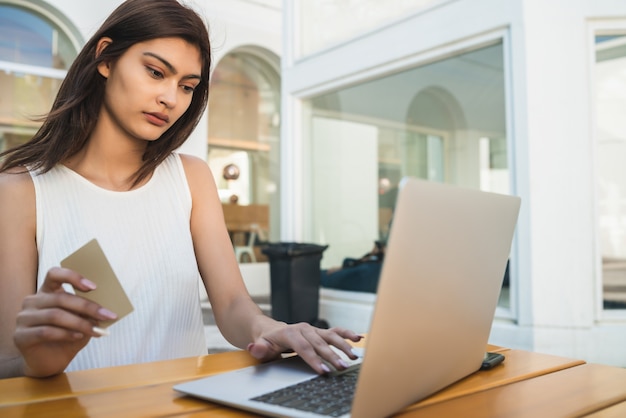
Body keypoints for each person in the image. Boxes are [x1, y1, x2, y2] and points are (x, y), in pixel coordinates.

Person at [0, 0, 360, 379]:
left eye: (187, 86)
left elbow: (235, 304)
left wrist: (271, 329)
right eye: (156, 72)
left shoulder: (192, 178)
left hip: (184, 405)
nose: (171, 99)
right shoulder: (20, 192)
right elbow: (8, 363)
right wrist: (40, 360)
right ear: (105, 58)